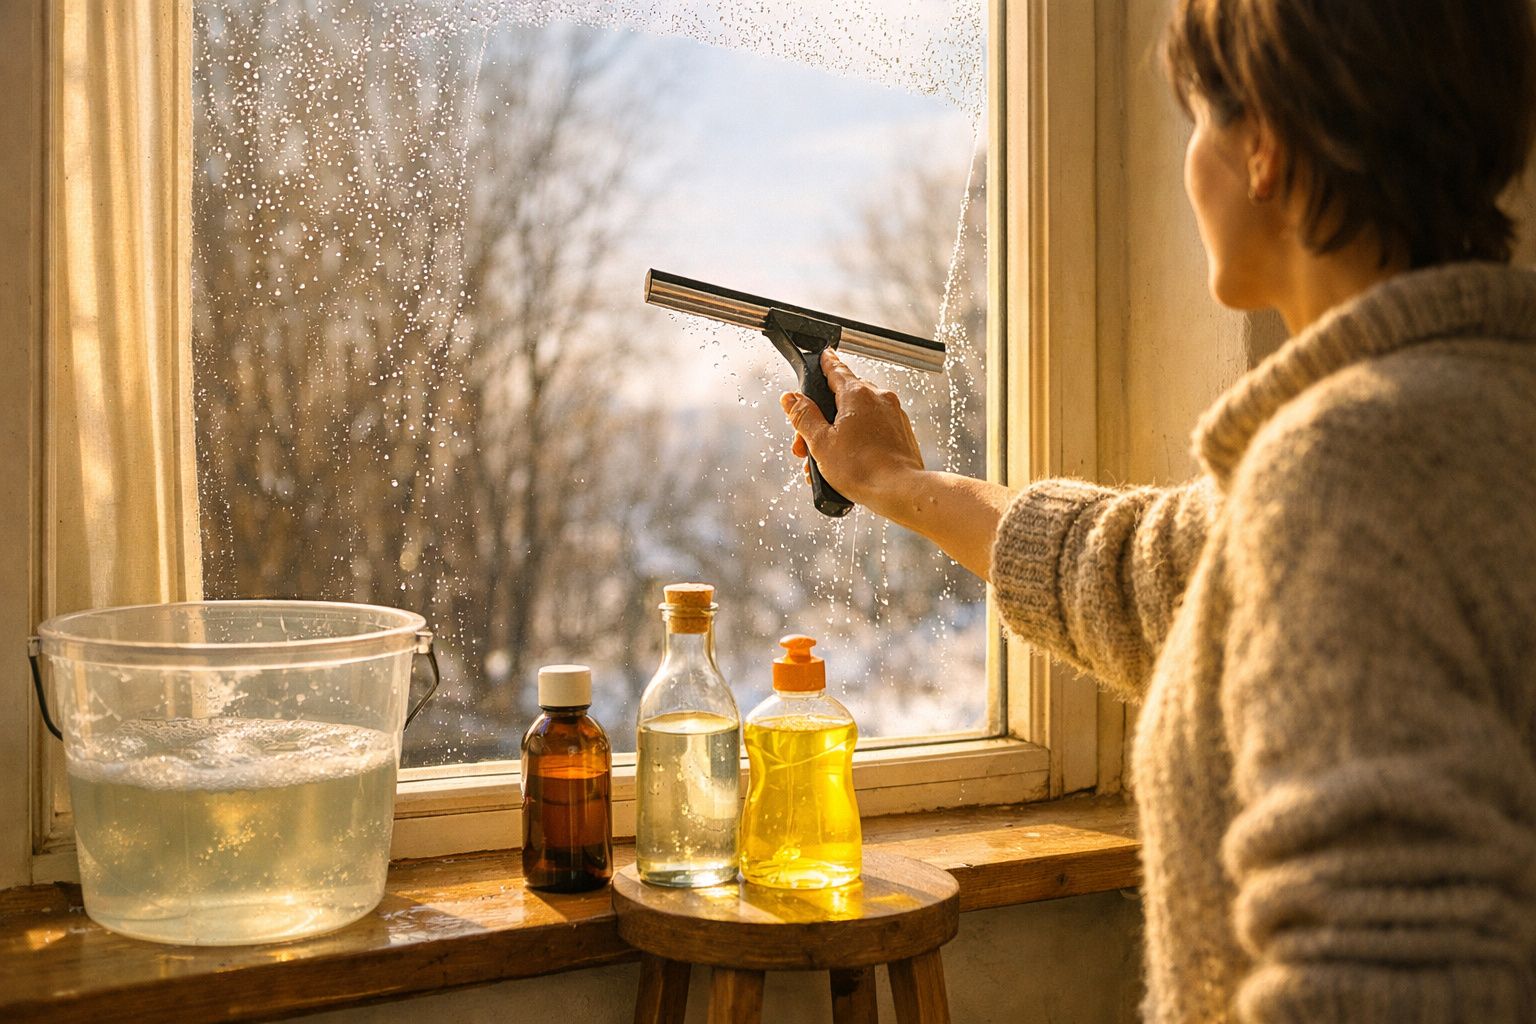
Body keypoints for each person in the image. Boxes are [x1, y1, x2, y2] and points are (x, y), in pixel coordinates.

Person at [780, 1, 1536, 1020]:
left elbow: (1377, 985)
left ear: (1262, 145)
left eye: (1197, 122)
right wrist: (899, 484)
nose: (1190, 166)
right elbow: (1138, 571)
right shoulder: (1470, 418)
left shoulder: (1353, 467)